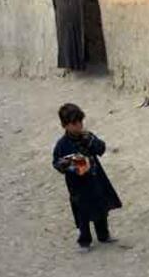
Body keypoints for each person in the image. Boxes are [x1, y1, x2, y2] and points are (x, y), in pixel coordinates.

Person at [52, 103, 122, 252]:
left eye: (80, 122)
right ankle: (84, 241)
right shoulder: (62, 145)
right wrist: (67, 164)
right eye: (74, 124)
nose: (79, 126)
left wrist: (91, 141)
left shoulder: (87, 136)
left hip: (95, 180)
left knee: (100, 209)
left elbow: (101, 148)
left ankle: (103, 235)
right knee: (82, 213)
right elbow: (56, 163)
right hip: (78, 186)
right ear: (65, 125)